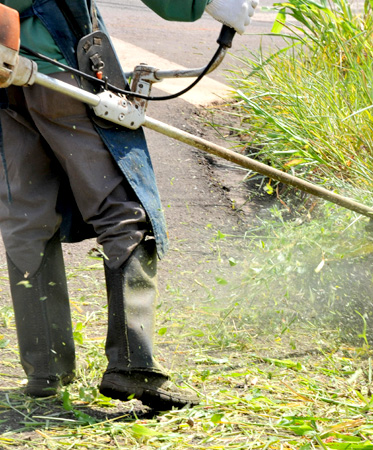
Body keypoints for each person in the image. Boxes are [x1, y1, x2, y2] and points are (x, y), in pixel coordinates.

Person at [0, 0, 256, 410]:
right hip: (57, 63)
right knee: (124, 210)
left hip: (6, 77)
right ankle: (132, 367)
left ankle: (44, 372)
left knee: (27, 217)